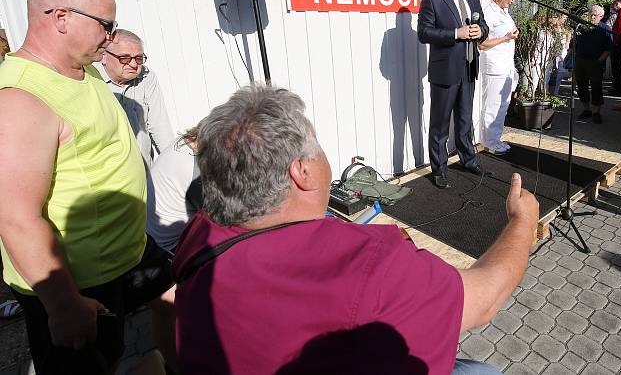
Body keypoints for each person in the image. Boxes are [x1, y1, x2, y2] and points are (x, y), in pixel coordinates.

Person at [172, 84, 540, 375]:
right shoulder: (370, 262)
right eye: (317, 147)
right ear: (300, 171)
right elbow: (484, 301)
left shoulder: (199, 238)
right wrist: (522, 222)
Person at [0, 0, 176, 373]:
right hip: (77, 281)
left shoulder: (84, 69)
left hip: (126, 250)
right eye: (106, 26)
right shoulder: (22, 99)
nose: (111, 38)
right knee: (94, 362)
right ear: (60, 18)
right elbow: (15, 217)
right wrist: (63, 307)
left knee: (173, 298)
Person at [418, 0, 489, 189]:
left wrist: (482, 32)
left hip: (469, 68)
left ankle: (468, 158)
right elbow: (424, 33)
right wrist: (455, 34)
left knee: (464, 119)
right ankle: (439, 169)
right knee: (439, 125)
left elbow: (484, 26)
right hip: (444, 72)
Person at [101, 29, 174, 168]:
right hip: (111, 177)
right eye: (124, 58)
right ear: (104, 56)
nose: (134, 64)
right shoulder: (90, 80)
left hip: (145, 173)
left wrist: (174, 166)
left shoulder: (147, 78)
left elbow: (160, 127)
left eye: (139, 58)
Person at [479, 0, 521, 155]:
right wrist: (506, 37)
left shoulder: (504, 11)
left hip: (505, 66)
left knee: (502, 105)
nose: (513, 1)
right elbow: (482, 43)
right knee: (493, 105)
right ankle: (489, 141)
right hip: (494, 66)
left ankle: (495, 139)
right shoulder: (489, 12)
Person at [147, 128, 202, 254]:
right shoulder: (195, 169)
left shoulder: (184, 142)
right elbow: (224, 219)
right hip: (169, 248)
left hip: (152, 236)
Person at [573, 5, 612, 124]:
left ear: (601, 16)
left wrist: (600, 60)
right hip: (580, 61)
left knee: (596, 88)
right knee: (582, 87)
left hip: (596, 61)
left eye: (595, 15)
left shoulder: (605, 28)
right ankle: (586, 110)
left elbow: (608, 48)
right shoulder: (581, 27)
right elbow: (574, 43)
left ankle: (596, 112)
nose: (592, 16)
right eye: (591, 14)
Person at [532, 13, 571, 97]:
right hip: (541, 57)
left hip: (550, 57)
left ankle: (545, 93)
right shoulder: (543, 32)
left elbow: (567, 34)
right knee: (536, 78)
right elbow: (537, 46)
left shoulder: (560, 31)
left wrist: (567, 42)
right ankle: (536, 93)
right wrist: (534, 58)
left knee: (547, 76)